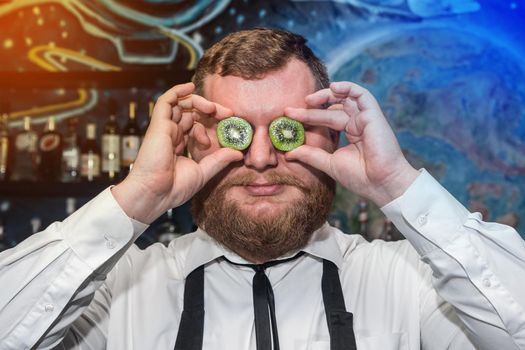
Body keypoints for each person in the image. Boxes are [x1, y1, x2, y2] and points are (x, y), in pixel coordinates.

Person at [1, 28, 524, 350]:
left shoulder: (409, 283)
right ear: (194, 142)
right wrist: (136, 197)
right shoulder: (119, 291)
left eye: (285, 129)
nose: (260, 157)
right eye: (236, 132)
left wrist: (397, 184)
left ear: (330, 135)